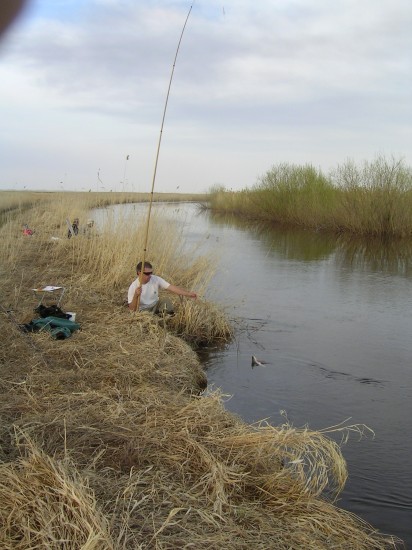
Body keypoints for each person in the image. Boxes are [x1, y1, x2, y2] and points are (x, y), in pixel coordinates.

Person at [128, 261, 197, 314]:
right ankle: (154, 318)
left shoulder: (156, 279)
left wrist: (188, 294)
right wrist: (136, 295)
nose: (150, 275)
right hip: (144, 310)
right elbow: (131, 309)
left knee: (166, 301)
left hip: (156, 304)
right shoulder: (133, 286)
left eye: (151, 273)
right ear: (139, 273)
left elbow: (171, 287)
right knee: (146, 316)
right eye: (147, 273)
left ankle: (163, 316)